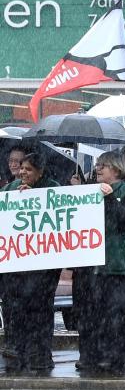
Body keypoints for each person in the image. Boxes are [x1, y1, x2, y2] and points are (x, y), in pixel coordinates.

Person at [1, 153, 62, 371]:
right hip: (16, 265)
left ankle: (41, 354)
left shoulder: (53, 188)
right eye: (21, 169)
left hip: (43, 267)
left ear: (40, 172)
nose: (23, 173)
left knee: (41, 310)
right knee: (17, 309)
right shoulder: (10, 189)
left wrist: (35, 197)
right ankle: (19, 349)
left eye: (28, 169)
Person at [90, 151, 125, 371]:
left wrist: (110, 198)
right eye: (97, 165)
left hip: (123, 265)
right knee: (103, 312)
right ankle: (105, 353)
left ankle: (119, 355)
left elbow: (124, 222)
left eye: (102, 165)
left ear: (115, 168)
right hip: (102, 265)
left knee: (119, 313)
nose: (98, 169)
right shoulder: (93, 191)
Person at [0, 144, 29, 358]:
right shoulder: (6, 187)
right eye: (11, 161)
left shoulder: (32, 187)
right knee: (9, 302)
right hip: (9, 256)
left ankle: (20, 344)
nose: (13, 165)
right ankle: (11, 340)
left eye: (18, 162)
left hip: (23, 258)